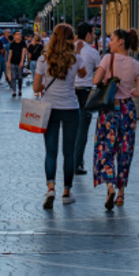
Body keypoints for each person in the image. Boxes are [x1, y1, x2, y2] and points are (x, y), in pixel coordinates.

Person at [34, 24, 86, 209]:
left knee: (51, 151)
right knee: (69, 152)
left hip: (50, 109)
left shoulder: (43, 59)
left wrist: (45, 87)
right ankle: (67, 192)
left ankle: (50, 188)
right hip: (71, 108)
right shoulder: (76, 59)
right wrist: (77, 52)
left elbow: (35, 87)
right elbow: (83, 73)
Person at [92, 28, 139, 210]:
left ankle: (109, 185)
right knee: (125, 149)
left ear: (121, 41)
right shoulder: (135, 64)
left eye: (112, 39)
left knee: (106, 146)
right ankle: (121, 192)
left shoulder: (108, 59)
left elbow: (95, 80)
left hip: (109, 108)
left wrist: (104, 80)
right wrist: (128, 91)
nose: (109, 43)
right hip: (127, 109)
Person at [74, 23, 101, 176]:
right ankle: (77, 162)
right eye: (93, 33)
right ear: (88, 35)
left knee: (71, 128)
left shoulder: (69, 50)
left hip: (69, 93)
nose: (95, 36)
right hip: (86, 92)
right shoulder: (92, 52)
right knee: (83, 129)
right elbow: (100, 72)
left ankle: (70, 160)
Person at [7, 31, 27, 98]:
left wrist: (22, 61)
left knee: (20, 77)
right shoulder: (12, 44)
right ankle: (14, 91)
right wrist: (8, 62)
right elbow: (10, 53)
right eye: (18, 34)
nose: (19, 35)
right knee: (13, 77)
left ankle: (20, 90)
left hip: (19, 62)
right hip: (13, 62)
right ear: (14, 36)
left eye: (20, 34)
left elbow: (23, 53)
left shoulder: (23, 43)